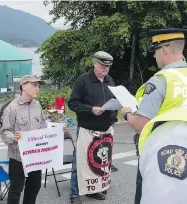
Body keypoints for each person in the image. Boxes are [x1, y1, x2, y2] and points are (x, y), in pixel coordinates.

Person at [120, 28, 187, 203]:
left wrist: (127, 114)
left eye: (155, 51)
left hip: (160, 156)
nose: (154, 56)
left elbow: (141, 125)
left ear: (164, 49)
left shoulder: (161, 80)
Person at [68, 51, 118, 204]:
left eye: (108, 66)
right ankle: (75, 193)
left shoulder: (109, 80)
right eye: (103, 66)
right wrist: (91, 109)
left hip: (105, 129)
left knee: (100, 161)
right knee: (81, 160)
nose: (106, 69)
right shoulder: (83, 80)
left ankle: (94, 190)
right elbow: (73, 103)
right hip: (87, 128)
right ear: (95, 63)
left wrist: (113, 118)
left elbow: (114, 101)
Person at [0, 75, 48, 204]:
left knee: (34, 186)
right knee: (16, 189)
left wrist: (56, 130)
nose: (38, 88)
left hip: (35, 156)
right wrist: (14, 137)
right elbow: (5, 131)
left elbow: (43, 125)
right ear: (24, 86)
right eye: (35, 85)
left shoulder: (37, 105)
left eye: (38, 85)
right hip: (18, 157)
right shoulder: (12, 107)